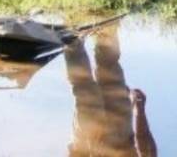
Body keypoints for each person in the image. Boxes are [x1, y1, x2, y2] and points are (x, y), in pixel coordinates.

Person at [64, 26, 158, 157]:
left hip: (90, 144)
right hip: (121, 136)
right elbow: (147, 151)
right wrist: (140, 111)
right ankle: (107, 24)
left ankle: (71, 31)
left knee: (86, 90)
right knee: (110, 72)